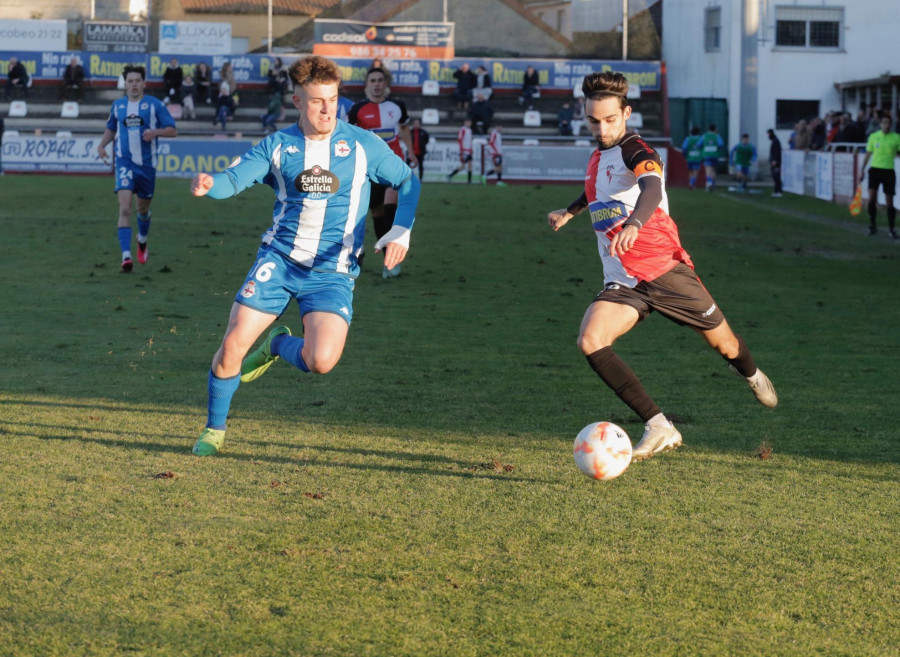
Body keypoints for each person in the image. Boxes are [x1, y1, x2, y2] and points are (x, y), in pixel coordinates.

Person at [188, 55, 421, 456]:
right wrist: (210, 184)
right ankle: (214, 429)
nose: (328, 108)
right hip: (279, 261)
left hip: (333, 272)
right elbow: (232, 180)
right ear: (297, 100)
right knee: (232, 347)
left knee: (321, 361)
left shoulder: (363, 144)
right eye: (317, 101)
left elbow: (407, 180)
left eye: (332, 98)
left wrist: (401, 231)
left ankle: (277, 344)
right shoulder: (277, 146)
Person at [545, 71, 777, 462]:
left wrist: (635, 223)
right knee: (591, 340)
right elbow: (596, 193)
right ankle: (659, 425)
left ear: (626, 114)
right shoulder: (598, 155)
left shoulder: (638, 150)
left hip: (665, 271)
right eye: (593, 121)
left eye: (610, 120)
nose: (601, 129)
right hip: (624, 278)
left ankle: (752, 375)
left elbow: (651, 187)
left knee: (726, 345)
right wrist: (569, 212)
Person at [96, 65, 177, 272]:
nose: (133, 84)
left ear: (144, 83)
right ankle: (126, 257)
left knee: (143, 209)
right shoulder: (117, 106)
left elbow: (172, 130)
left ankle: (142, 239)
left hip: (147, 167)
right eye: (130, 81)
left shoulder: (154, 105)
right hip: (124, 162)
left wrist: (156, 132)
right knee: (124, 208)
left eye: (137, 81)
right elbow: (111, 128)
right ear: (125, 84)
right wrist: (102, 145)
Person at [348, 66, 418, 278]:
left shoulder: (397, 106)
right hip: (369, 169)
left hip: (394, 166)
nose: (377, 84)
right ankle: (388, 257)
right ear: (367, 84)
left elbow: (404, 129)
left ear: (385, 84)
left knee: (389, 209)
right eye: (373, 80)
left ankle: (392, 262)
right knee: (377, 214)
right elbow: (350, 137)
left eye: (380, 80)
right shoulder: (357, 110)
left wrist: (412, 153)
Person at [858, 114, 900, 238]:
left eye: (888, 123)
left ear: (891, 125)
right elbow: (868, 154)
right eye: (884, 122)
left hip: (888, 171)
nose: (886, 125)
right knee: (872, 198)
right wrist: (862, 170)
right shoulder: (873, 137)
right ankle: (872, 225)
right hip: (875, 170)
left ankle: (891, 229)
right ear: (880, 124)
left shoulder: (896, 137)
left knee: (889, 201)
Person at [447, 118, 474, 184]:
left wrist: (471, 149)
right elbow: (460, 139)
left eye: (469, 122)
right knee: (462, 166)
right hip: (464, 151)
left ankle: (469, 181)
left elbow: (469, 141)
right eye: (467, 122)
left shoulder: (470, 130)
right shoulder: (463, 129)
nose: (468, 123)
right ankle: (450, 176)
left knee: (470, 165)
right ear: (465, 123)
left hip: (468, 151)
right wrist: (462, 149)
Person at [700, 124, 724, 191]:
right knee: (713, 169)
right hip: (714, 154)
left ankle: (709, 183)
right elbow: (721, 144)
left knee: (708, 169)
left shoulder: (704, 136)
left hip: (707, 154)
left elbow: (699, 144)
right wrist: (716, 148)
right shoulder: (717, 136)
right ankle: (713, 183)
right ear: (715, 129)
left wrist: (704, 148)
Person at [482, 122, 506, 186]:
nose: (500, 128)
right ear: (496, 127)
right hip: (495, 153)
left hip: (498, 153)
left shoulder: (498, 134)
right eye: (499, 127)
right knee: (498, 167)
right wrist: (496, 151)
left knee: (500, 167)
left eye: (501, 127)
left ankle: (499, 181)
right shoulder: (494, 133)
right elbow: (491, 143)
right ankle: (485, 175)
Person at [767, 129, 783, 198]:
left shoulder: (776, 142)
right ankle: (776, 191)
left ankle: (779, 191)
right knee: (775, 176)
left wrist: (775, 160)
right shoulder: (774, 141)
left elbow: (776, 152)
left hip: (776, 162)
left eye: (768, 134)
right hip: (774, 161)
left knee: (776, 176)